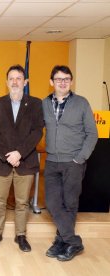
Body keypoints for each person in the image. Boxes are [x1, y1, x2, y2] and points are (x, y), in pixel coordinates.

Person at [43, 65, 98, 261]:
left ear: (71, 81)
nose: (63, 82)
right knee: (52, 203)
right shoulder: (44, 103)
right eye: (58, 79)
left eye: (66, 78)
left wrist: (80, 158)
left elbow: (92, 133)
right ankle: (73, 241)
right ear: (52, 82)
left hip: (73, 162)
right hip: (51, 161)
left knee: (70, 204)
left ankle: (62, 241)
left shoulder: (81, 103)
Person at [0, 64, 44, 252]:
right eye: (11, 78)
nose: (15, 82)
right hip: (2, 162)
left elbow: (37, 132)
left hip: (25, 162)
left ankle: (21, 235)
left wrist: (19, 153)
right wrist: (8, 155)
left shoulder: (35, 104)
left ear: (25, 82)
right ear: (6, 82)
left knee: (22, 202)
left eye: (18, 78)